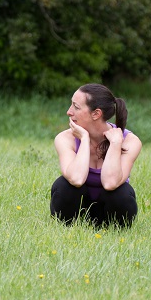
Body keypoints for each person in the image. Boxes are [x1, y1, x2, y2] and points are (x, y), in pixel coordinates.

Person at [50, 83, 142, 227]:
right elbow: (76, 178)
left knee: (121, 192)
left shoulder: (130, 141)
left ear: (96, 114)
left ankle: (113, 230)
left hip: (109, 213)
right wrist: (84, 139)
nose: (69, 112)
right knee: (64, 186)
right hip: (78, 210)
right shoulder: (64, 138)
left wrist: (116, 144)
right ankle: (69, 226)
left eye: (76, 107)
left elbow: (110, 183)